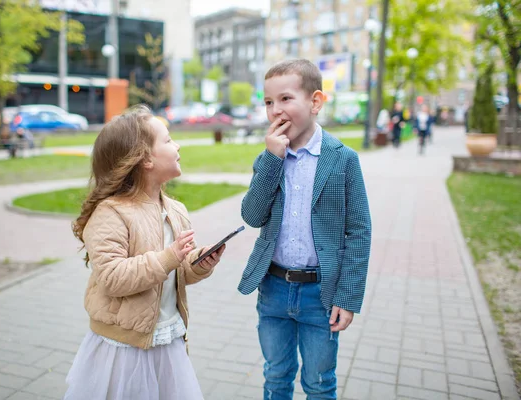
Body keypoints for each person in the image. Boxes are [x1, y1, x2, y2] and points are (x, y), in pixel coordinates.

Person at [64, 105, 225, 400]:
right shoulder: (111, 213)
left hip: (167, 339)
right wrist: (168, 257)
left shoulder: (175, 210)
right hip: (123, 349)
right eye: (168, 140)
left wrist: (198, 264)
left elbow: (176, 272)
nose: (177, 146)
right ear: (145, 159)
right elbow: (112, 278)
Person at [239, 59, 372, 400]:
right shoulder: (267, 157)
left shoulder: (343, 159)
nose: (275, 111)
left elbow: (358, 232)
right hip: (273, 289)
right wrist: (272, 159)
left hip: (320, 294)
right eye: (268, 102)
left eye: (285, 99)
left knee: (318, 382)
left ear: (315, 102)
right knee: (276, 377)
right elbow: (252, 216)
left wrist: (348, 297)